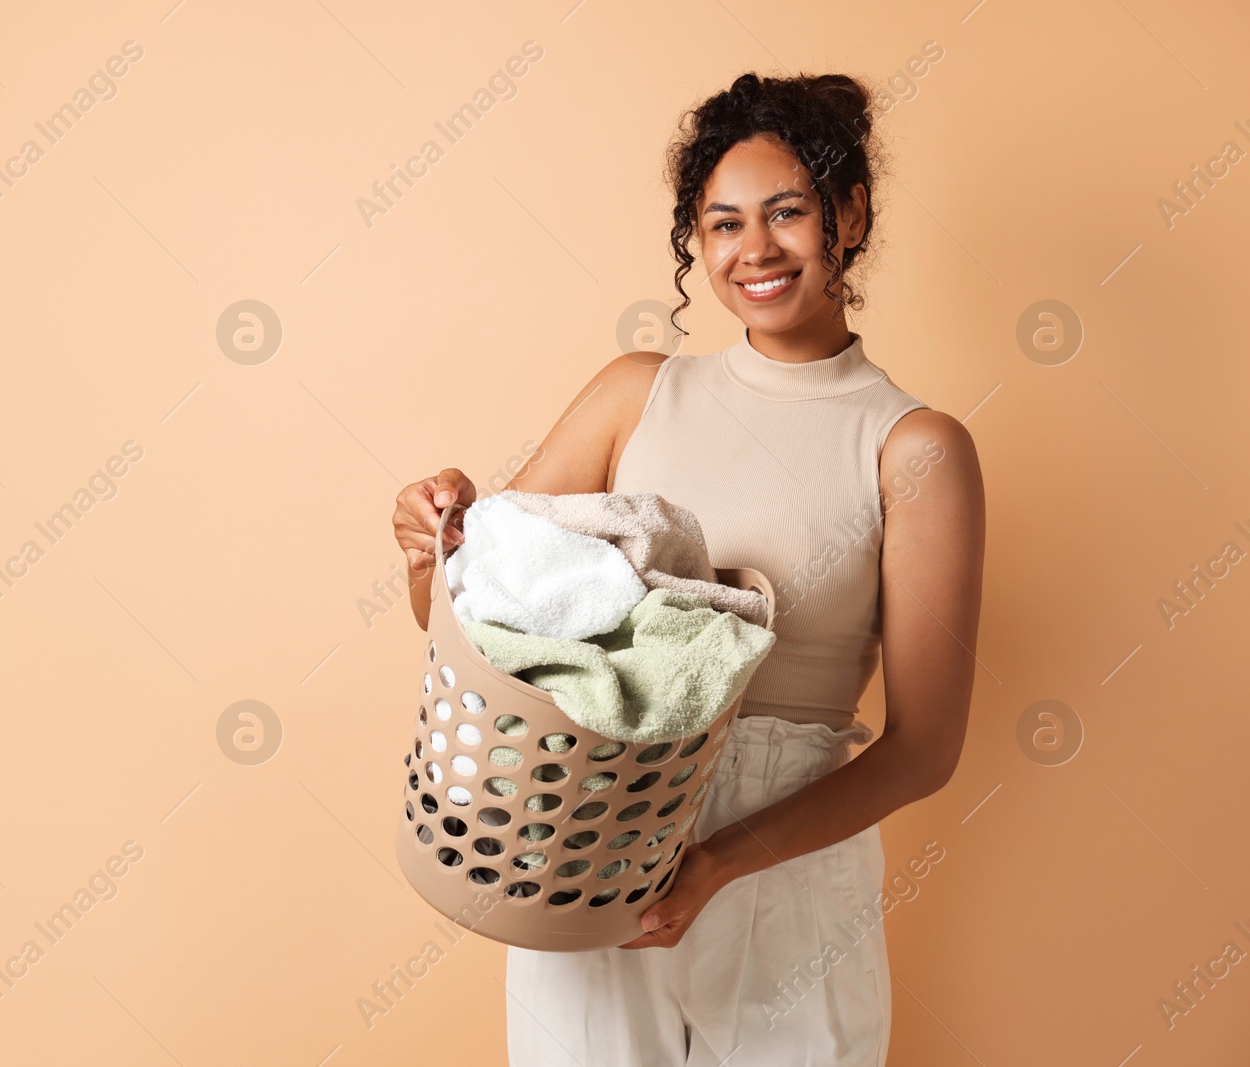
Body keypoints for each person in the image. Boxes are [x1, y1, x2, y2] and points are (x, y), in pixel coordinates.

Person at [390, 70, 984, 1066]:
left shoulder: (912, 446)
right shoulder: (636, 392)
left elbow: (923, 749)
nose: (753, 250)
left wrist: (713, 864)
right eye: (721, 224)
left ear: (850, 212)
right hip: (585, 826)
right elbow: (469, 614)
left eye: (787, 212)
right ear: (694, 243)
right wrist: (430, 540)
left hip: (782, 868)